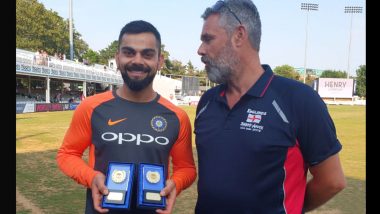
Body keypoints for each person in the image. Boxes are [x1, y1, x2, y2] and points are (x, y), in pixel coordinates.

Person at [194, 1, 346, 213]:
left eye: (208, 39)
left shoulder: (299, 99)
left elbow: (332, 181)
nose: (200, 50)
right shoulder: (207, 102)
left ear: (239, 35)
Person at [57, 20, 197, 214]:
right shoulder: (91, 107)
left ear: (160, 61)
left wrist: (176, 183)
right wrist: (92, 177)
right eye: (129, 52)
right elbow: (67, 155)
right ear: (117, 57)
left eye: (147, 54)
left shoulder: (177, 116)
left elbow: (187, 168)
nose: (137, 60)